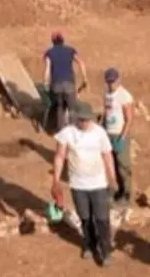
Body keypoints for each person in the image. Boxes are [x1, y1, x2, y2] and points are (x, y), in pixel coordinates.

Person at [52, 101, 117, 266]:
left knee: (102, 218)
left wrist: (112, 178)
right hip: (78, 184)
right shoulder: (67, 133)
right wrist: (56, 180)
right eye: (82, 120)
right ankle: (89, 245)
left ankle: (105, 251)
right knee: (85, 218)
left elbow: (107, 155)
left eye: (88, 120)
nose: (86, 123)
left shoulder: (100, 133)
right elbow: (60, 156)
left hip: (98, 183)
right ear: (77, 119)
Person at [101, 67, 135, 205]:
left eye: (113, 81)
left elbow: (129, 118)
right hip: (108, 133)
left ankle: (126, 194)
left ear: (118, 80)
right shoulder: (107, 94)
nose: (111, 84)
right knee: (112, 165)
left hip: (119, 134)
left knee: (123, 166)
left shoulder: (124, 96)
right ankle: (116, 190)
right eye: (108, 82)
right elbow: (106, 113)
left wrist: (122, 137)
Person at [42, 31, 89, 132]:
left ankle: (61, 132)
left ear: (52, 41)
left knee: (60, 107)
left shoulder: (49, 52)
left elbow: (47, 68)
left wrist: (45, 83)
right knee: (72, 108)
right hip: (69, 84)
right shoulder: (70, 50)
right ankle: (73, 132)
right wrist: (85, 78)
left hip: (56, 85)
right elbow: (81, 62)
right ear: (63, 40)